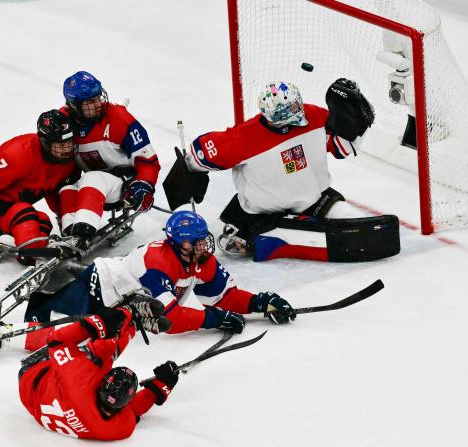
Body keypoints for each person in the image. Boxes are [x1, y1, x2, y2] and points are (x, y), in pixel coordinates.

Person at [169, 79, 400, 263]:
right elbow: (200, 152)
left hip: (314, 201)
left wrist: (356, 127)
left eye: (297, 104)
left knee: (353, 222)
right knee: (241, 242)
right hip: (261, 214)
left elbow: (341, 148)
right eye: (290, 110)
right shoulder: (244, 138)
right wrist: (189, 169)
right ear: (274, 117)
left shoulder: (314, 115)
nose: (299, 111)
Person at [24, 210, 296, 339]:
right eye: (196, 241)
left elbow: (222, 295)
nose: (204, 245)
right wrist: (214, 319)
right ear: (180, 243)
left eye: (204, 239)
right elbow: (170, 319)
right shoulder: (158, 262)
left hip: (118, 304)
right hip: (95, 290)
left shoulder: (200, 258)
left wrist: (260, 303)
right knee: (39, 331)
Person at [19, 299, 180, 441]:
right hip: (41, 404)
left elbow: (56, 341)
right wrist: (158, 389)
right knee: (102, 355)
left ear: (102, 384)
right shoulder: (117, 429)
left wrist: (98, 324)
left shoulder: (80, 380)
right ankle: (132, 325)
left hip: (31, 377)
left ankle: (130, 315)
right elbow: (133, 411)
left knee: (103, 351)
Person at [0, 109, 79, 263]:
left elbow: (53, 190)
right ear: (45, 142)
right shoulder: (20, 152)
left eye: (69, 142)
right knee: (24, 213)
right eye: (60, 144)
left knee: (43, 220)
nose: (67, 149)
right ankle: (30, 253)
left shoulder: (65, 162)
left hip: (9, 207)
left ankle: (40, 250)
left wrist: (67, 222)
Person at [57, 71, 160, 239]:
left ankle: (82, 233)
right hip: (90, 189)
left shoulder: (119, 118)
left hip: (123, 184)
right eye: (91, 101)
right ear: (74, 105)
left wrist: (144, 185)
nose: (98, 103)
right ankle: (69, 235)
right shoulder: (64, 122)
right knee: (66, 187)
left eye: (98, 97)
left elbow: (148, 161)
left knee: (93, 178)